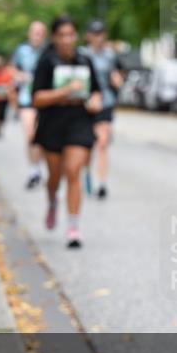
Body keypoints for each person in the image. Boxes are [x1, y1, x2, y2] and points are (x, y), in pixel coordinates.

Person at [31, 16, 103, 248]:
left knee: (73, 171)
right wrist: (63, 92)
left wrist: (94, 101)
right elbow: (37, 98)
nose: (66, 40)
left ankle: (73, 227)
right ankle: (52, 201)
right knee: (55, 177)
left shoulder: (85, 60)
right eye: (62, 35)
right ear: (54, 37)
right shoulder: (46, 61)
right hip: (52, 124)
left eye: (71, 34)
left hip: (79, 122)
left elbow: (96, 92)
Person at [83, 19, 124, 199]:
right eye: (95, 34)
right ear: (89, 36)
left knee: (102, 142)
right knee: (87, 145)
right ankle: (87, 175)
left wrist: (117, 80)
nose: (98, 38)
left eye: (101, 34)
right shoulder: (82, 54)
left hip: (105, 102)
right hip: (86, 103)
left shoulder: (109, 55)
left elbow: (115, 74)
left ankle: (102, 183)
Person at [13, 21, 47, 188]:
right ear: (29, 34)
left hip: (45, 99)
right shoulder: (21, 51)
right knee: (30, 134)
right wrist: (19, 76)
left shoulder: (49, 52)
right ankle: (34, 170)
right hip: (27, 98)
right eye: (35, 32)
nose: (38, 36)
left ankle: (41, 165)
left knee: (42, 137)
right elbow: (13, 70)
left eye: (41, 33)